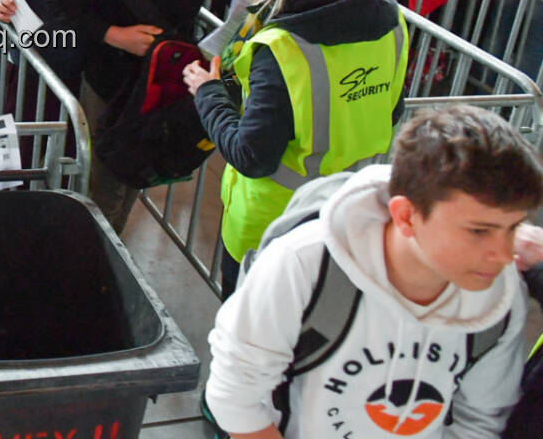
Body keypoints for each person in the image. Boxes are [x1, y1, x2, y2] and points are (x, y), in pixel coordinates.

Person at [205, 106, 541, 439]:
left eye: (513, 229)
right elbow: (236, 395)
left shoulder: (500, 296)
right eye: (479, 231)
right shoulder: (305, 264)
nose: (501, 254)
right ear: (406, 216)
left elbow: (481, 422)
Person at [184, 0, 407, 295]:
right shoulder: (389, 16)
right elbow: (390, 110)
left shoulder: (283, 48)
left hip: (273, 224)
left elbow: (252, 155)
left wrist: (208, 93)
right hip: (350, 212)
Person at [53, 0, 243, 232]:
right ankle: (92, 253)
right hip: (112, 81)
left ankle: (113, 249)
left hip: (169, 79)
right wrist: (113, 35)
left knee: (140, 172)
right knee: (104, 180)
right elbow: (62, 5)